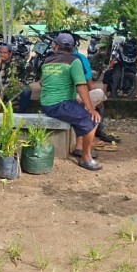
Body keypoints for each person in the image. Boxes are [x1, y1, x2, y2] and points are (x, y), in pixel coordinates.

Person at [39, 33, 102, 171]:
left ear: (56, 46)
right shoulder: (74, 61)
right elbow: (81, 85)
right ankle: (86, 158)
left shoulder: (47, 61)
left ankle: (80, 147)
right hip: (59, 105)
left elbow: (43, 83)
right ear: (73, 48)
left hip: (47, 103)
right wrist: (90, 108)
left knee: (81, 111)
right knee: (94, 120)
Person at [0, 44, 31, 112]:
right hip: (2, 86)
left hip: (15, 87)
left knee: (27, 90)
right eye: (0, 52)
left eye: (5, 53)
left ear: (10, 53)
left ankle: (22, 113)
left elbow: (31, 71)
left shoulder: (18, 61)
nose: (2, 55)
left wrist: (24, 82)